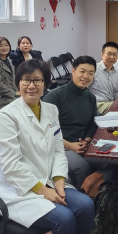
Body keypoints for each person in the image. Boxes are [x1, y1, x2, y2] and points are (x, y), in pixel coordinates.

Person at [0, 60, 94, 234]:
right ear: (18, 83)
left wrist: (60, 181)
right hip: (17, 189)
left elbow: (57, 150)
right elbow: (11, 166)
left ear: (46, 83)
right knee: (64, 219)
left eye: (37, 80)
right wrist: (45, 191)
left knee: (86, 206)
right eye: (26, 80)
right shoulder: (7, 117)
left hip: (47, 180)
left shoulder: (50, 110)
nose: (31, 86)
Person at [43, 56, 99, 186]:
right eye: (82, 71)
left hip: (82, 145)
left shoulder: (90, 97)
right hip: (59, 147)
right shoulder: (55, 96)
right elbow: (44, 131)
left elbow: (92, 124)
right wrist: (70, 146)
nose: (86, 76)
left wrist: (87, 141)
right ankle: (74, 193)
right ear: (73, 71)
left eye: (91, 73)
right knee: (82, 166)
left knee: (109, 162)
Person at [89, 42, 118, 115]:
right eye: (109, 54)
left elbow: (115, 93)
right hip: (97, 105)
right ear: (102, 54)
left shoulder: (116, 72)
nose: (112, 57)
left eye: (115, 54)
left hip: (110, 104)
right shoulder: (94, 69)